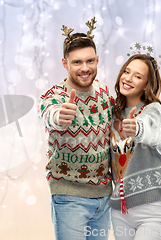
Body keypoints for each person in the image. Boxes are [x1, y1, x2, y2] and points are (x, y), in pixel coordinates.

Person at [38, 17, 115, 240]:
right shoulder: (55, 96)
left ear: (97, 60)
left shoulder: (103, 92)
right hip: (69, 197)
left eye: (90, 61)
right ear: (65, 64)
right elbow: (49, 114)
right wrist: (58, 116)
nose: (85, 68)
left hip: (104, 197)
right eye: (77, 62)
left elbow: (117, 127)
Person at [109, 50, 161, 240]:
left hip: (151, 209)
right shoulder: (113, 114)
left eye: (137, 76)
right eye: (126, 72)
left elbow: (151, 129)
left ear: (146, 85)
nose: (128, 78)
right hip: (120, 210)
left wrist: (137, 127)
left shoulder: (154, 111)